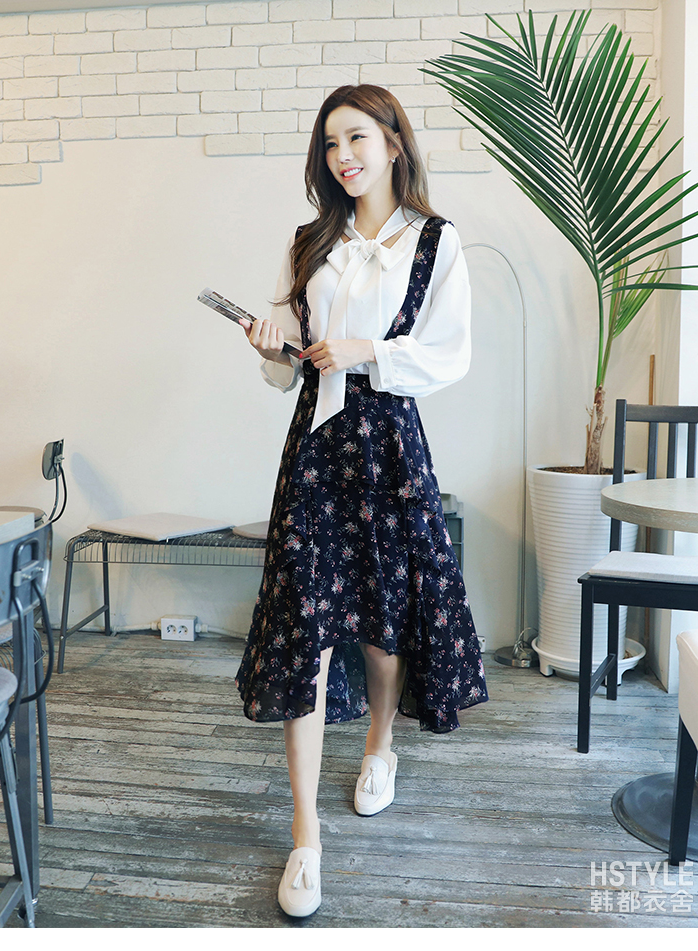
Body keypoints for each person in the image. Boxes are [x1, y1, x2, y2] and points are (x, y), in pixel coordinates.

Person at [235, 84, 487, 918]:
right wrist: (270, 346)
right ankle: (305, 835)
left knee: (384, 621)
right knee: (303, 629)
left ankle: (380, 744)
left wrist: (367, 350)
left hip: (389, 448)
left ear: (393, 143)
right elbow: (286, 372)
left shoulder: (435, 242)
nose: (342, 156)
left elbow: (449, 354)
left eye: (356, 138)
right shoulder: (309, 243)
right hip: (315, 449)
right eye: (330, 143)